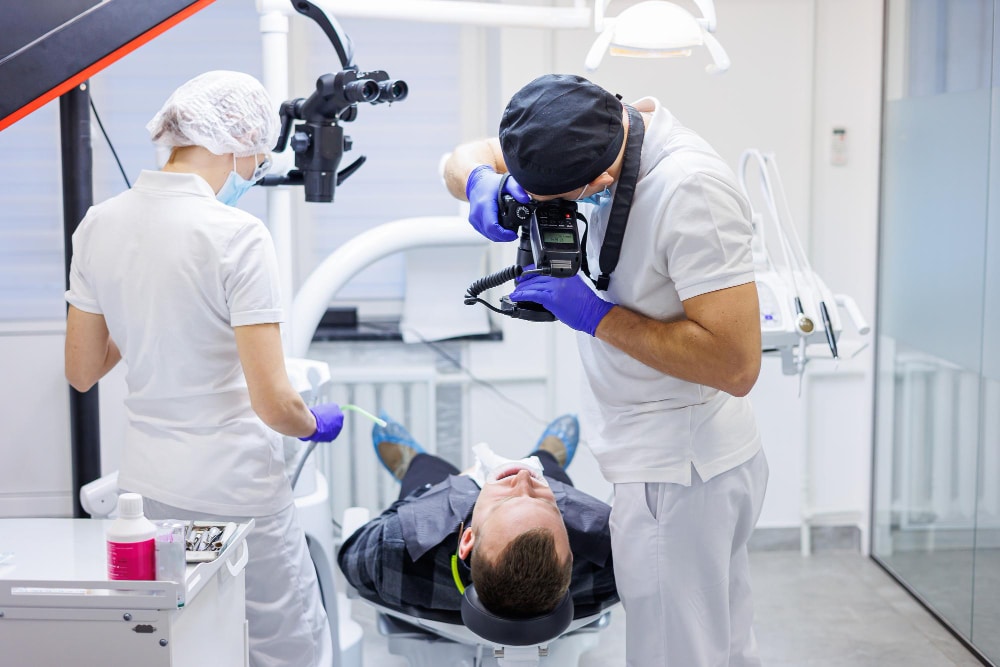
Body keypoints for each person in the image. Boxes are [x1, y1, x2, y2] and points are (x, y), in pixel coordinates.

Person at [442, 74, 769, 666]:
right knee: (720, 646)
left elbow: (737, 364)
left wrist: (597, 316)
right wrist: (478, 181)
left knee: (675, 655)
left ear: (595, 183)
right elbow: (461, 157)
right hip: (666, 458)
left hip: (680, 471)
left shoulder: (690, 190)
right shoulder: (573, 122)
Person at [64, 70, 344, 667]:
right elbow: (274, 402)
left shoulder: (97, 224)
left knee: (181, 646)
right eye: (258, 157)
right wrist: (312, 423)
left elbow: (82, 369)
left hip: (148, 492)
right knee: (284, 647)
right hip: (236, 492)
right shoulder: (237, 234)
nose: (257, 169)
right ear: (237, 141)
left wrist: (143, 306)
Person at [338, 414, 618, 620]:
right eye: (549, 505)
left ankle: (409, 464)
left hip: (432, 552)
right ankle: (547, 456)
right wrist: (551, 491)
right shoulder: (613, 559)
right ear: (570, 548)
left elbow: (352, 558)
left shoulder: (395, 547)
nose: (523, 477)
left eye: (506, 501)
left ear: (467, 539)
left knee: (426, 471)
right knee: (547, 469)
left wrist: (453, 490)